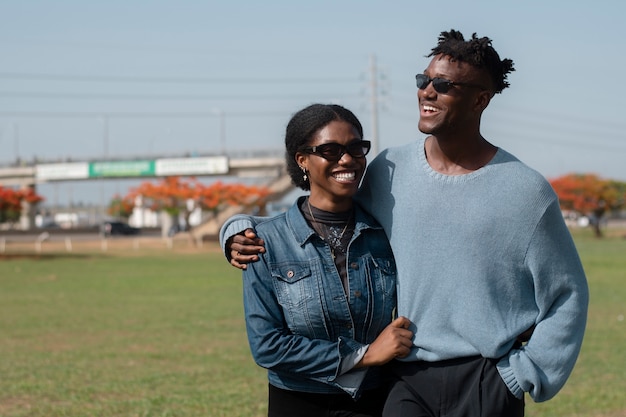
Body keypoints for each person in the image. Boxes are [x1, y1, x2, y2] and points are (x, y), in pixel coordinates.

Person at [222, 30, 589, 416]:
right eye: (423, 80)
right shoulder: (389, 171)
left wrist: (522, 375)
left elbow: (567, 294)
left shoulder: (525, 190)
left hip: (487, 379)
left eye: (443, 84)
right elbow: (319, 212)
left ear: (480, 99)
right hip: (402, 380)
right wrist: (234, 228)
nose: (427, 91)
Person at [228, 103, 413, 417]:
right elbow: (267, 345)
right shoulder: (265, 243)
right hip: (298, 402)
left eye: (356, 148)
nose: (347, 160)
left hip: (375, 401)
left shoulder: (386, 234)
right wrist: (363, 356)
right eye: (330, 150)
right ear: (302, 159)